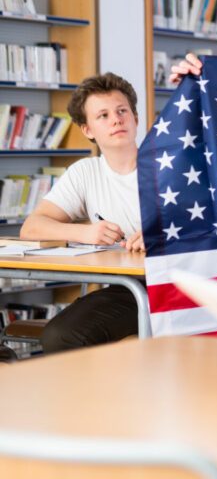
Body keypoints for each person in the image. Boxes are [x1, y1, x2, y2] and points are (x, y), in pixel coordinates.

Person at [20, 72, 145, 353]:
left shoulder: (170, 164)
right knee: (60, 336)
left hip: (180, 284)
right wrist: (86, 232)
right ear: (87, 130)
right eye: (103, 115)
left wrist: (163, 237)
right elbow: (32, 227)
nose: (116, 119)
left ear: (135, 118)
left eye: (122, 111)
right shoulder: (85, 172)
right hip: (130, 288)